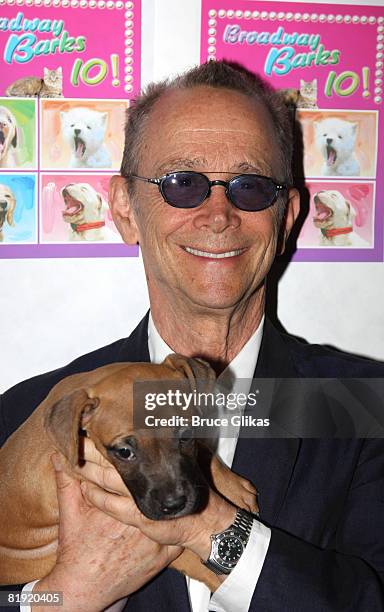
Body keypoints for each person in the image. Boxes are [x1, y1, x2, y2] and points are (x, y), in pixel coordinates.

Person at [1, 61, 384, 612]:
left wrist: (210, 531)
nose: (219, 214)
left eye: (250, 187)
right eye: (183, 184)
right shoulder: (28, 414)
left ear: (288, 216)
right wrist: (67, 597)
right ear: (125, 210)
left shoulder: (359, 406)